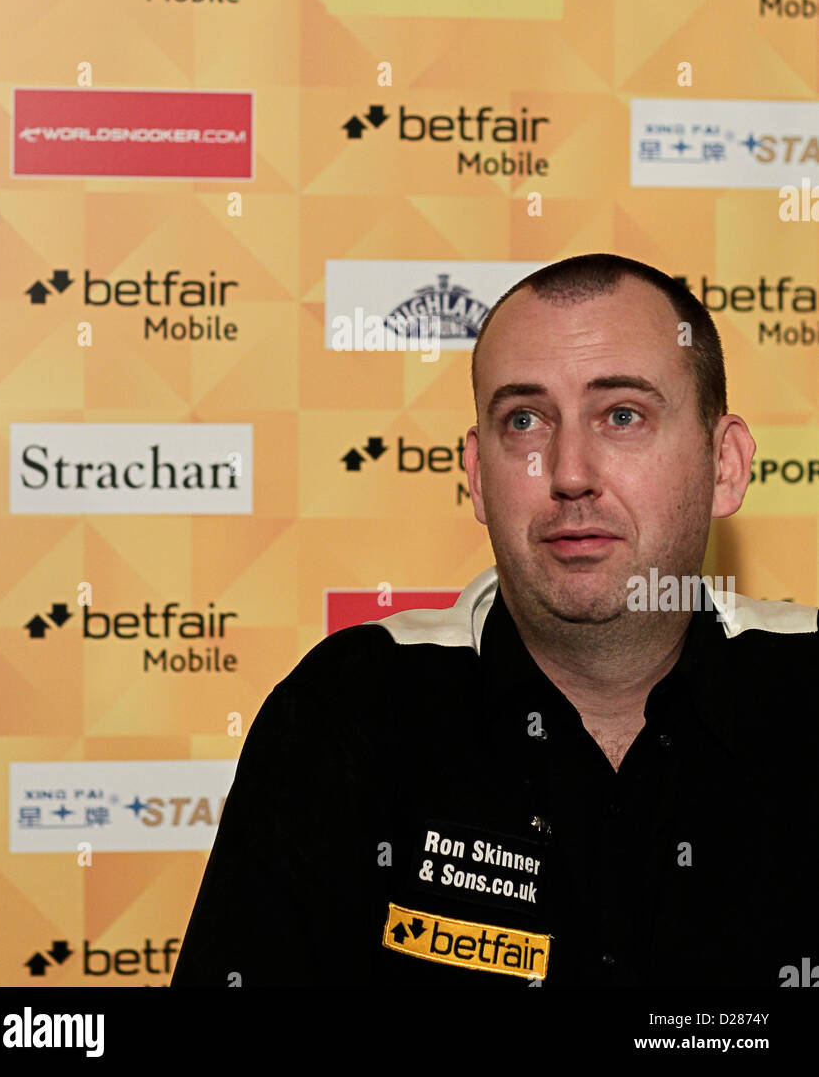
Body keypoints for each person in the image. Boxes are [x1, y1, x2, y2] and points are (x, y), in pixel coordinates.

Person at [171, 253, 818, 988]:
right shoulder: (345, 713)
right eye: (525, 420)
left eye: (624, 415)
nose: (570, 471)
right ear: (478, 476)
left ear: (724, 464)